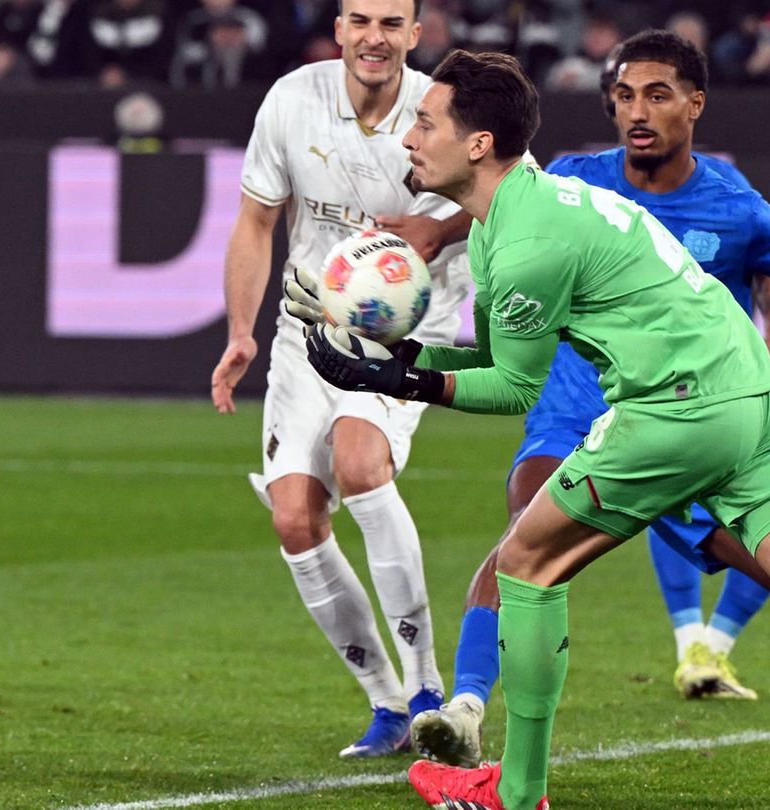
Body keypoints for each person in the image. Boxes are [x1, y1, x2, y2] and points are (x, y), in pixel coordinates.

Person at [303, 49, 770, 810]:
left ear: (477, 144)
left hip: (675, 409)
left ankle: (518, 789)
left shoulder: (525, 245)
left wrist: (398, 379)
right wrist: (395, 357)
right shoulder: (547, 200)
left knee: (526, 564)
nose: (409, 138)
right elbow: (497, 355)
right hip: (759, 398)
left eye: (425, 123)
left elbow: (513, 386)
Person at [209, 0, 474, 760]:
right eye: (361, 20)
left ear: (415, 36)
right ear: (338, 29)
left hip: (400, 331)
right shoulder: (292, 100)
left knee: (360, 462)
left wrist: (441, 228)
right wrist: (239, 331)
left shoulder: (442, 111)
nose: (375, 37)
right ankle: (387, 706)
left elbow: (508, 184)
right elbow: (257, 221)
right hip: (305, 327)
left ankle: (429, 690)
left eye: (392, 23)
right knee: (294, 516)